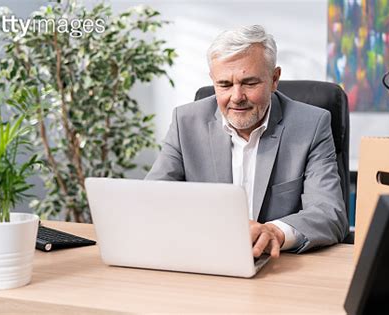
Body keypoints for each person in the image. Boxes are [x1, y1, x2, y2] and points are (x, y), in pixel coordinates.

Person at [146, 25, 348, 258]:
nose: (237, 97)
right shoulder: (186, 122)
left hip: (278, 264)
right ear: (213, 81)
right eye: (224, 84)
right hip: (204, 258)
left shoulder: (311, 125)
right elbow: (153, 199)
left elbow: (329, 213)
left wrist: (274, 232)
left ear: (274, 79)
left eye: (250, 83)